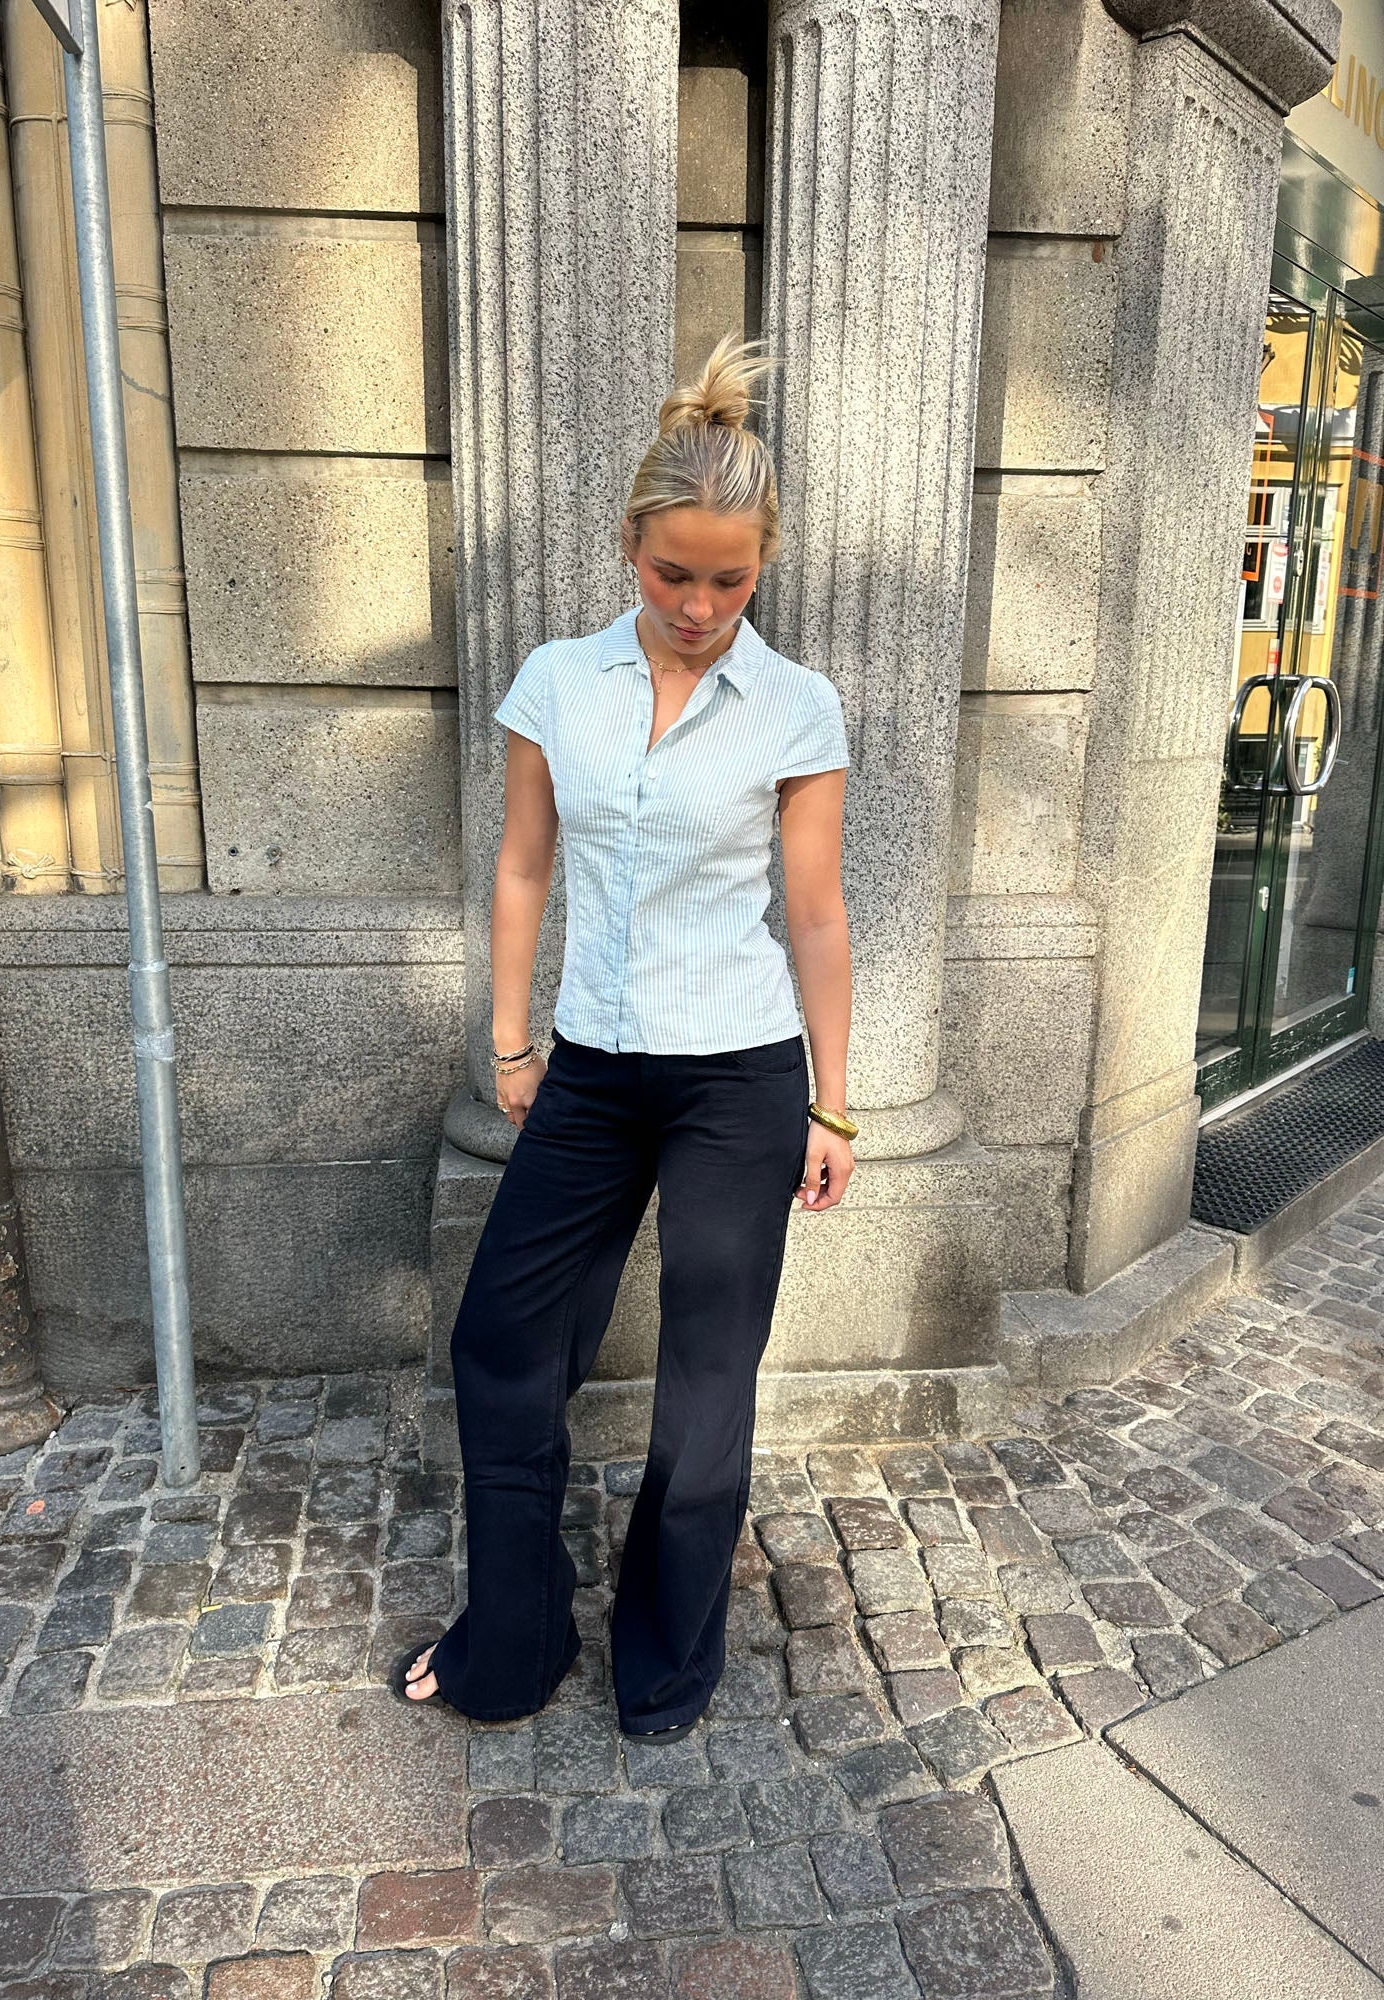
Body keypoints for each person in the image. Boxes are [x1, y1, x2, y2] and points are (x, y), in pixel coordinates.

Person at [390, 332, 856, 1740]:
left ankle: (665, 1659)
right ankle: (516, 1639)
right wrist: (510, 1045)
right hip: (589, 1068)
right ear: (630, 548)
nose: (700, 606)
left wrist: (834, 1103)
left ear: (762, 565)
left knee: (707, 1388)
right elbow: (522, 866)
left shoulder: (797, 706)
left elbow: (816, 913)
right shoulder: (557, 683)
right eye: (673, 575)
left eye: (730, 580)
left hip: (740, 1076)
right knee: (502, 1339)